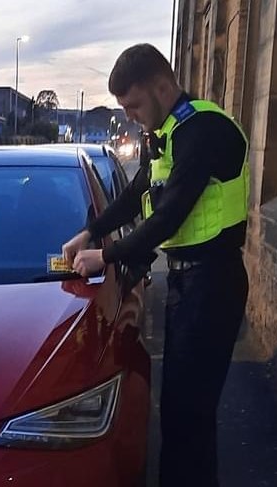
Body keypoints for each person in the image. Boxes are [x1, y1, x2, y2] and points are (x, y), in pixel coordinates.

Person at [62, 43, 250, 487]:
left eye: (133, 104)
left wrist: (105, 255)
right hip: (191, 286)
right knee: (182, 415)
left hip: (213, 282)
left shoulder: (201, 129)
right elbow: (135, 196)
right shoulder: (165, 134)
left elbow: (170, 215)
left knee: (190, 416)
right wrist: (90, 232)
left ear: (163, 87)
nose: (129, 115)